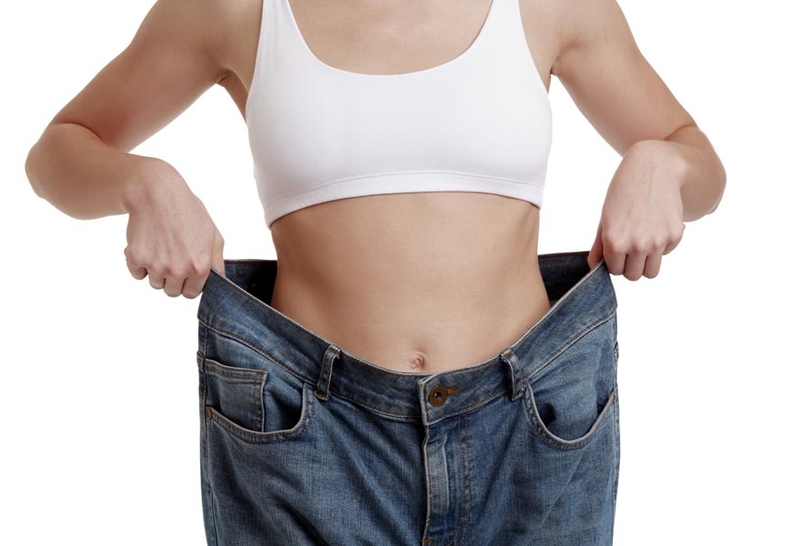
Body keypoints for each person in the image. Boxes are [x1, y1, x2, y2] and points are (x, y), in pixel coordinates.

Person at [25, 0, 725, 544]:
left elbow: (697, 159)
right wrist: (145, 184)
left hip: (531, 429)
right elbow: (59, 149)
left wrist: (662, 164)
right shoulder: (239, 10)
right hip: (308, 436)